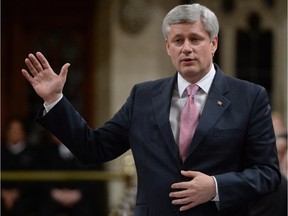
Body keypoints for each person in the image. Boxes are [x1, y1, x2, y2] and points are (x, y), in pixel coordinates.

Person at [21, 3, 280, 216]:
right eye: (178, 40)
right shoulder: (143, 96)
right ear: (168, 47)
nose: (186, 48)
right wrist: (55, 100)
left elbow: (268, 174)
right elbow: (93, 148)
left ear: (213, 43)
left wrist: (215, 186)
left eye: (195, 39)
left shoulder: (249, 97)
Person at [1, 118, 39, 215]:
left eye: (18, 130)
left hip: (26, 196)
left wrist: (16, 193)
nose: (15, 133)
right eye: (12, 129)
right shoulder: (1, 151)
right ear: (6, 132)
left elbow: (35, 179)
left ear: (24, 132)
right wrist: (3, 193)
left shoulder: (33, 153)